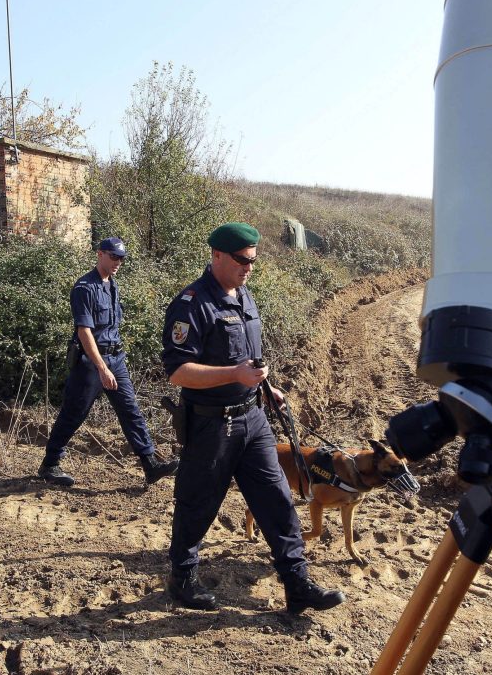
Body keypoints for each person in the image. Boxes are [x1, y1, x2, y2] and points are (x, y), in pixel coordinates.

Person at [160, 222, 346, 613]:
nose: (249, 268)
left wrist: (266, 386)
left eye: (253, 261)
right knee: (198, 503)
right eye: (243, 260)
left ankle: (297, 584)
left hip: (254, 418)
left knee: (278, 500)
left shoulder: (244, 296)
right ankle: (182, 577)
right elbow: (178, 371)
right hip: (212, 425)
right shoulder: (192, 304)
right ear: (217, 256)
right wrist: (234, 376)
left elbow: (249, 358)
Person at [38, 237, 178, 487]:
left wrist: (112, 363)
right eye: (113, 257)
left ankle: (150, 465)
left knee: (130, 410)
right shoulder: (84, 287)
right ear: (99, 254)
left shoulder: (111, 284)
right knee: (74, 413)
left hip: (116, 357)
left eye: (121, 258)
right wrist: (101, 367)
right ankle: (50, 464)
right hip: (91, 362)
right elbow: (84, 331)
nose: (118, 262)